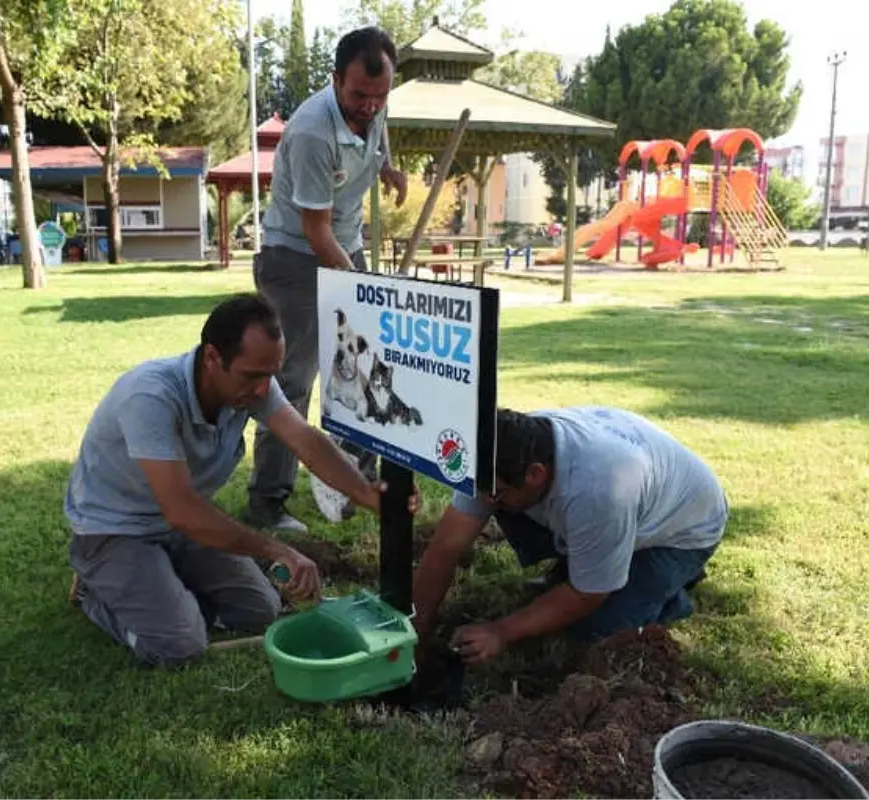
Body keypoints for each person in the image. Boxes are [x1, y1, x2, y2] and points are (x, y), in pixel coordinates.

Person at [63, 294, 419, 666]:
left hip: (178, 530)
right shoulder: (150, 396)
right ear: (213, 357)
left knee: (259, 610)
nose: (264, 389)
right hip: (115, 531)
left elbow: (305, 440)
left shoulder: (252, 383)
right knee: (179, 647)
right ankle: (93, 589)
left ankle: (163, 592)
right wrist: (276, 550)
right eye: (253, 375)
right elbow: (184, 511)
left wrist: (365, 492)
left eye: (271, 374)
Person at [245, 26, 409, 533]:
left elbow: (373, 141)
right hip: (293, 260)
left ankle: (359, 477)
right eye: (359, 95)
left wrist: (389, 170)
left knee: (365, 364)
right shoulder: (313, 131)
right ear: (336, 79)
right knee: (290, 380)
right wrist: (359, 285)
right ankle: (267, 503)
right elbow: (315, 230)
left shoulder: (374, 106)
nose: (370, 105)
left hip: (343, 242)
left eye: (379, 96)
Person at [412, 406, 729, 665]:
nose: (484, 502)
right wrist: (416, 629)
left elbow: (589, 593)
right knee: (511, 508)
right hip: (624, 506)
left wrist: (500, 632)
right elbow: (445, 548)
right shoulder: (496, 460)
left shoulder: (599, 490)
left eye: (495, 494)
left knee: (594, 630)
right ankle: (598, 560)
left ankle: (670, 591)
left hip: (682, 532)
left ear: (535, 474)